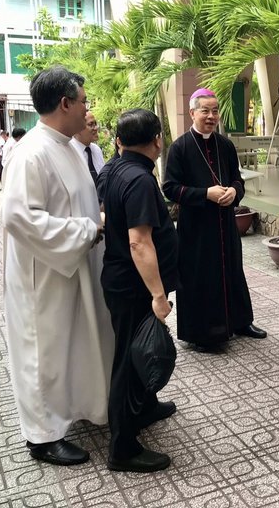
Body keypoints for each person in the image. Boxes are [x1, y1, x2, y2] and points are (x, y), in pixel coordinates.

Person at [2, 66, 113, 466]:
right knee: (43, 351)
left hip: (75, 265)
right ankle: (42, 437)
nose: (87, 109)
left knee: (74, 344)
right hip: (44, 276)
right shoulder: (30, 153)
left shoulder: (66, 146)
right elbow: (19, 217)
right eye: (84, 101)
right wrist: (85, 230)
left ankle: (77, 407)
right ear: (65, 103)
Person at [101, 109, 179, 472]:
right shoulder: (140, 180)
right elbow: (139, 242)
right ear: (157, 141)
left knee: (136, 353)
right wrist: (158, 295)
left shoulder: (116, 169)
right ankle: (122, 448)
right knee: (129, 363)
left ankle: (146, 406)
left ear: (119, 141)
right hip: (134, 286)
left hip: (124, 281)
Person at [163, 88, 266, 351]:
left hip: (225, 224)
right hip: (196, 228)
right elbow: (170, 188)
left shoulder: (225, 145)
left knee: (232, 271)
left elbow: (237, 179)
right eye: (205, 111)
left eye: (215, 111)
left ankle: (241, 322)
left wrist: (234, 192)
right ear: (192, 113)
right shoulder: (180, 147)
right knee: (201, 278)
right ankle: (203, 334)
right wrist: (204, 194)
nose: (211, 116)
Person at [70, 110, 105, 185]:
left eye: (95, 123)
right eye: (91, 124)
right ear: (78, 129)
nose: (96, 128)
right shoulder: (70, 153)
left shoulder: (96, 150)